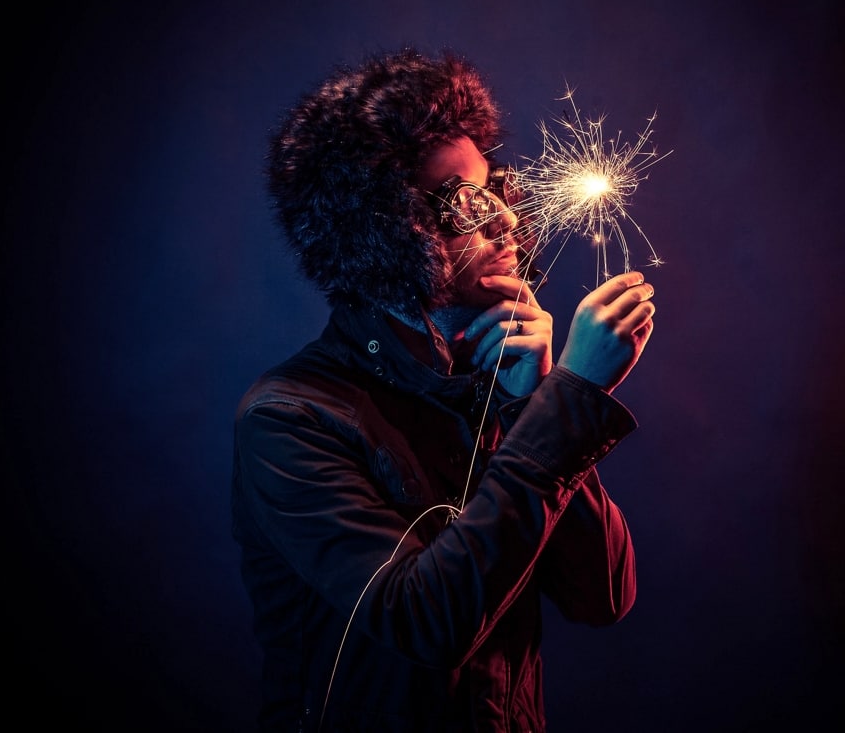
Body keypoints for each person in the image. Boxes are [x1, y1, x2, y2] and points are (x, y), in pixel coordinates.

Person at [231, 48, 657, 732]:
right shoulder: (291, 418)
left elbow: (603, 595)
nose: (508, 222)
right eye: (465, 202)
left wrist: (533, 403)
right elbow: (425, 622)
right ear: (390, 237)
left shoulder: (490, 383)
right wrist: (572, 397)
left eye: (496, 189)